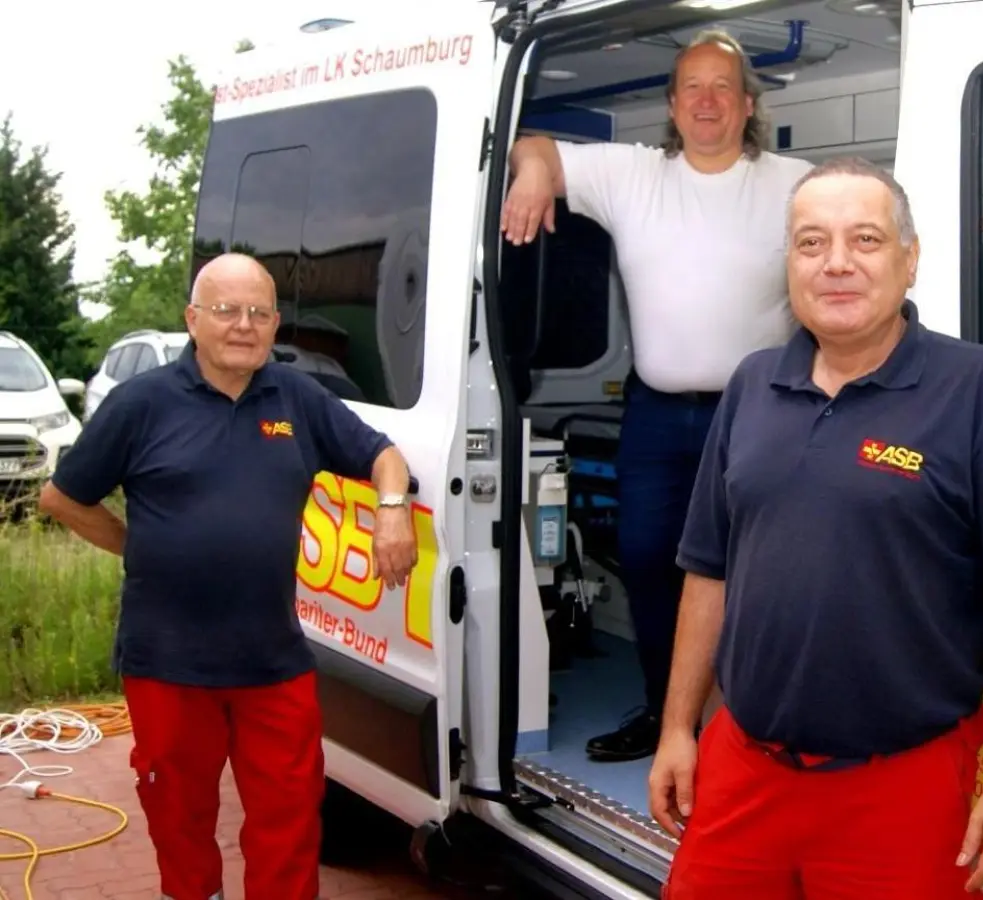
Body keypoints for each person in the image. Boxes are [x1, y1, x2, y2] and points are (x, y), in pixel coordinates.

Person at [647, 156, 983, 898]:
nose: (836, 263)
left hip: (902, 786)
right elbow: (709, 571)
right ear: (790, 265)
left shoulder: (981, 390)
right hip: (743, 769)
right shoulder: (751, 384)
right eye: (811, 243)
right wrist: (679, 729)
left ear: (909, 261)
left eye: (866, 240)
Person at [37, 253, 419, 900]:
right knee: (179, 821)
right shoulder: (141, 404)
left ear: (274, 325)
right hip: (167, 662)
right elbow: (61, 497)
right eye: (225, 311)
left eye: (258, 313)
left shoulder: (295, 397)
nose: (243, 325)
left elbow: (383, 455)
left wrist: (392, 511)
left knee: (290, 821)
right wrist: (137, 546)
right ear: (193, 319)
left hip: (273, 660)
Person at [501, 29, 814, 762]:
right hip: (654, 414)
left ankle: (742, 726)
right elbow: (532, 144)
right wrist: (532, 177)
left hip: (759, 415)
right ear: (673, 105)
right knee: (646, 560)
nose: (707, 102)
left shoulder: (795, 184)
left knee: (756, 572)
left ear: (746, 104)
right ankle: (664, 713)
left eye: (722, 88)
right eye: (692, 88)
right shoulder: (632, 174)